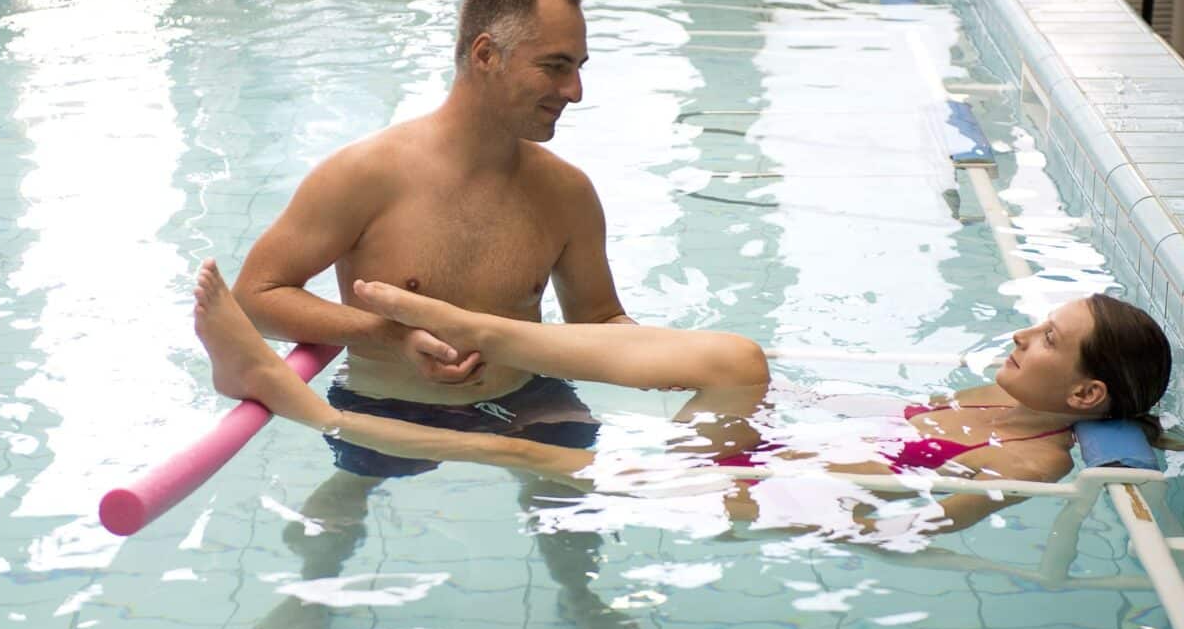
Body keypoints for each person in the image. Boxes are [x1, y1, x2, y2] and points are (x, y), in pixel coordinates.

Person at [195, 259, 1172, 547]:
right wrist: (789, 417)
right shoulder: (993, 397)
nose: (1021, 336)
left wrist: (806, 478)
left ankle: (293, 402)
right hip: (771, 455)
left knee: (536, 457)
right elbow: (889, 423)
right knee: (735, 358)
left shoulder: (1033, 458)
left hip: (765, 496)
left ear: (1085, 393)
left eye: (1046, 340)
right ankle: (479, 329)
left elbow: (915, 525)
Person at [232, 0, 637, 629]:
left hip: (523, 397)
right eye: (556, 66)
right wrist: (388, 335)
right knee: (345, 497)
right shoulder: (367, 175)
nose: (574, 90)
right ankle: (307, 597)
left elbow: (600, 323)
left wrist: (691, 365)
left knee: (572, 503)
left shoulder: (567, 193)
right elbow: (254, 297)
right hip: (388, 399)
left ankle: (582, 598)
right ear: (486, 54)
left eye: (578, 68)